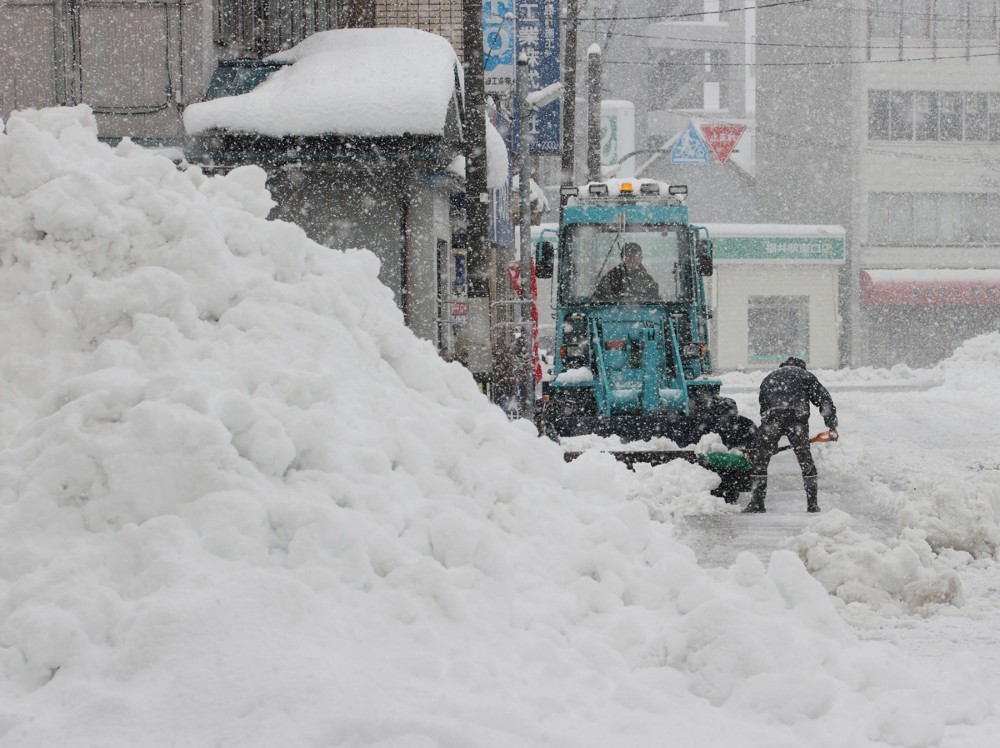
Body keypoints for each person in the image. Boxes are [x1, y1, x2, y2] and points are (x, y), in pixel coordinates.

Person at [743, 357, 839, 514]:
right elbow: (824, 400)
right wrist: (831, 425)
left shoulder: (770, 377)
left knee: (760, 461)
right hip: (797, 418)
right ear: (802, 367)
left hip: (771, 417)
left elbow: (763, 405)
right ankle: (812, 504)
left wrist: (768, 442)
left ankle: (757, 503)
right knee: (805, 459)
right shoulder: (805, 375)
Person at [592, 242, 660, 303]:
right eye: (629, 256)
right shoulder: (611, 277)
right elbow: (598, 298)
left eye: (635, 257)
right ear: (622, 258)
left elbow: (655, 302)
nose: (632, 260)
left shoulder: (647, 280)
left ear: (641, 258)